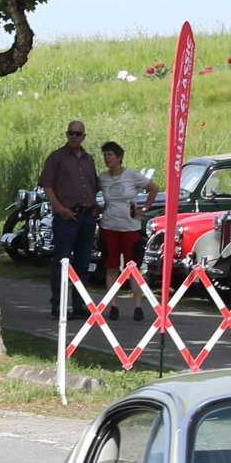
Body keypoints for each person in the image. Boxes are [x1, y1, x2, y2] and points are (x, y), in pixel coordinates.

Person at [39, 120, 100, 319]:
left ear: (84, 137)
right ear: (66, 134)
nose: (74, 136)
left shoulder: (89, 159)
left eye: (78, 134)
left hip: (87, 216)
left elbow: (93, 185)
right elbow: (47, 185)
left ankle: (79, 304)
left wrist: (94, 207)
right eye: (71, 133)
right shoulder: (57, 157)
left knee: (83, 263)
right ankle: (58, 305)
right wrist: (59, 208)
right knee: (62, 262)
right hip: (66, 216)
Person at [96, 140, 159, 323]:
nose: (107, 158)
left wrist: (145, 208)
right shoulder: (102, 178)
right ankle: (113, 305)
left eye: (110, 155)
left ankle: (138, 306)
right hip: (109, 227)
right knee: (111, 267)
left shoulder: (131, 175)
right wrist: (97, 208)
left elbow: (153, 188)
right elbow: (90, 192)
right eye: (105, 155)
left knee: (133, 268)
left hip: (130, 227)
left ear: (119, 157)